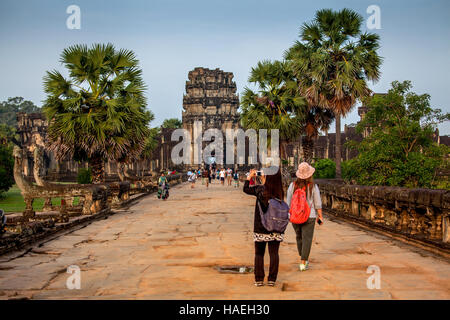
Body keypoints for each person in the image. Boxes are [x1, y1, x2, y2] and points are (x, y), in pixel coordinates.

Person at [243, 168, 284, 287]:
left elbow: (245, 189)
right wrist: (264, 180)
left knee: (259, 253)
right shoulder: (279, 191)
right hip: (275, 226)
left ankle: (259, 279)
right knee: (274, 253)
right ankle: (272, 279)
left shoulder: (260, 190)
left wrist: (250, 177)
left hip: (261, 226)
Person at [286, 162, 323, 272]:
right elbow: (317, 203)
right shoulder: (313, 186)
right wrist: (320, 216)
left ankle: (302, 255)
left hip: (295, 216)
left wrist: (289, 214)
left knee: (299, 237)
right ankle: (303, 261)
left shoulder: (292, 186)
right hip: (309, 216)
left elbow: (288, 202)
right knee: (307, 238)